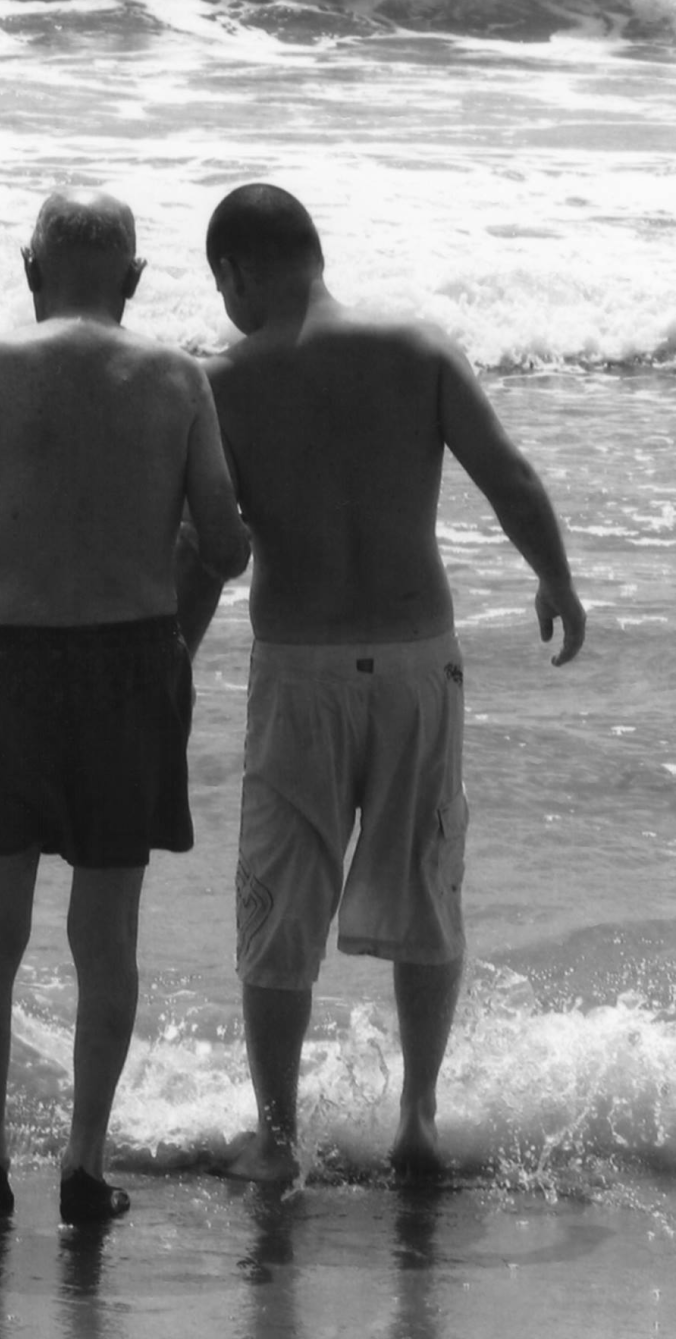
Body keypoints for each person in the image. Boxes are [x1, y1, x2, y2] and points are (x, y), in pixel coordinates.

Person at [175, 183, 586, 1183]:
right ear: (317, 252)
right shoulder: (420, 349)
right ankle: (417, 1119)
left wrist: (169, 672)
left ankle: (276, 1140)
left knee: (279, 901)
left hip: (300, 668)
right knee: (425, 883)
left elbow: (206, 551)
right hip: (415, 662)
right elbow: (514, 480)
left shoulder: (220, 382)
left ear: (237, 271)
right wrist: (557, 579)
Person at [0, 190, 250, 1222]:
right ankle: (85, 1167)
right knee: (108, 934)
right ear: (134, 279)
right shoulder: (178, 378)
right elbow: (221, 542)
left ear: (28, 268)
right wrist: (231, 547)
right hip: (131, 672)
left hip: (7, 665)